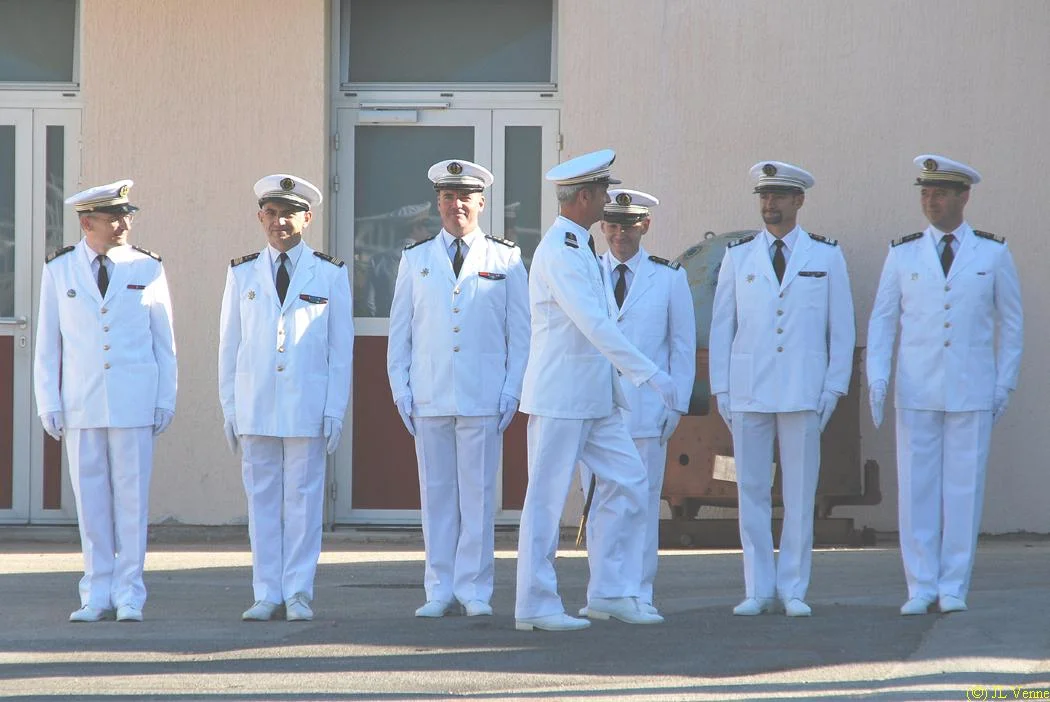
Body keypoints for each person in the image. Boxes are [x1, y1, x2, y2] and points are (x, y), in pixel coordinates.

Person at [515, 149, 678, 632]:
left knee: (630, 482)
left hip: (595, 398)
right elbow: (594, 324)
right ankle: (535, 605)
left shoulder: (580, 245)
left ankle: (610, 592)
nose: (609, 197)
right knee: (545, 502)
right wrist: (651, 374)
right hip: (562, 397)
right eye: (604, 190)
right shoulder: (560, 250)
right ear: (584, 197)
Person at [867, 155, 1023, 616]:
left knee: (963, 490)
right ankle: (920, 585)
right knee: (916, 488)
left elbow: (1012, 323)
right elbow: (882, 321)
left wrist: (1004, 383)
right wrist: (878, 377)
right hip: (917, 388)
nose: (930, 201)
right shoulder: (903, 253)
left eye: (939, 193)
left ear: (963, 196)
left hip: (972, 388)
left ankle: (953, 584)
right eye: (925, 193)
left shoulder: (992, 252)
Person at [709, 161, 855, 618]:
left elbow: (842, 328)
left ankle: (793, 588)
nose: (769, 203)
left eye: (778, 196)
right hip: (749, 387)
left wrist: (834, 387)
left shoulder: (826, 255)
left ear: (799, 200)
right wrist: (721, 389)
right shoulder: (738, 256)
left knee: (799, 493)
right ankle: (757, 588)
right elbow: (721, 327)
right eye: (764, 196)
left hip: (803, 389)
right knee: (750, 490)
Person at [387, 159, 530, 618]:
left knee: (478, 497)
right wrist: (400, 387)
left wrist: (512, 390)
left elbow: (520, 332)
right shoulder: (416, 258)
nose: (456, 205)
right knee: (437, 497)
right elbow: (400, 331)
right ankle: (439, 589)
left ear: (481, 202)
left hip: (482, 394)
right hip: (429, 394)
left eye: (465, 197)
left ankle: (475, 590)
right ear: (438, 204)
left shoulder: (505, 258)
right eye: (448, 197)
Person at [34, 179, 177, 623]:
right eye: (113, 217)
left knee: (132, 502)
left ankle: (130, 592)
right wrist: (48, 401)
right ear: (86, 223)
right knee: (91, 502)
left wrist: (165, 398)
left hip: (134, 400)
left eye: (126, 215)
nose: (123, 224)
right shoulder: (60, 269)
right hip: (82, 401)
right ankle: (95, 592)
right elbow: (48, 345)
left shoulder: (147, 267)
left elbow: (164, 341)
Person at [218, 174, 353, 622]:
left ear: (307, 218)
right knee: (261, 502)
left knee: (303, 501)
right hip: (256, 404)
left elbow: (340, 350)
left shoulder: (329, 272)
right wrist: (230, 408)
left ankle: (297, 592)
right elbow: (229, 347)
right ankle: (266, 593)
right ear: (260, 218)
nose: (279, 222)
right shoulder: (242, 272)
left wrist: (335, 410)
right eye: (272, 213)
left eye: (289, 214)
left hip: (306, 405)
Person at [578, 188, 695, 616]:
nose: (619, 234)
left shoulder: (669, 277)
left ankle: (639, 592)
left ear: (645, 225)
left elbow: (682, 347)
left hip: (647, 409)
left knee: (642, 505)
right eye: (611, 225)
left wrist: (676, 404)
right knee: (599, 504)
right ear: (602, 226)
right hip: (597, 408)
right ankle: (601, 592)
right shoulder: (586, 272)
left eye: (628, 226)